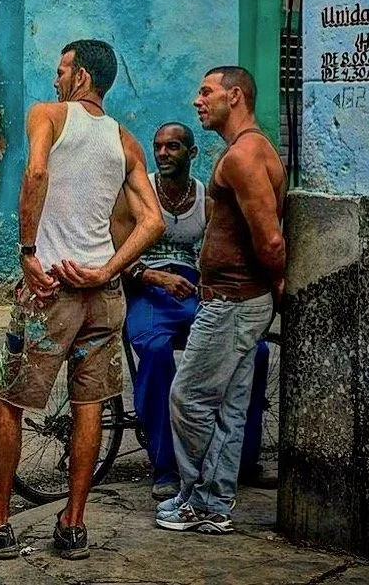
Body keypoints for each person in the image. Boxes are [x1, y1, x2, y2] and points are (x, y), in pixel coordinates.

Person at [0, 40, 164, 561]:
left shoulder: (46, 114)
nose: (55, 80)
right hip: (102, 294)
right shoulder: (125, 141)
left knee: (9, 402)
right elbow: (153, 220)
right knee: (89, 406)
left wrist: (28, 251)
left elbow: (37, 172)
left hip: (51, 289)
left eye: (61, 70)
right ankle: (72, 525)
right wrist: (108, 270)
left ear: (82, 76)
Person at [156, 66, 286, 536]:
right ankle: (214, 506)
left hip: (232, 301)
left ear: (234, 97)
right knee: (230, 409)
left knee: (188, 398)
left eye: (206, 91)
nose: (198, 100)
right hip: (236, 300)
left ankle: (197, 499)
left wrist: (276, 284)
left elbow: (270, 239)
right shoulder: (246, 149)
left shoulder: (244, 156)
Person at [114, 122, 271, 501]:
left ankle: (243, 458)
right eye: (158, 146)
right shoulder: (139, 192)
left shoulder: (205, 198)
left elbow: (219, 248)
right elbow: (116, 248)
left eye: (173, 147)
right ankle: (166, 466)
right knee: (155, 352)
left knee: (255, 352)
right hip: (147, 288)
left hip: (193, 289)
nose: (163, 153)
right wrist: (154, 277)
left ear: (191, 153)